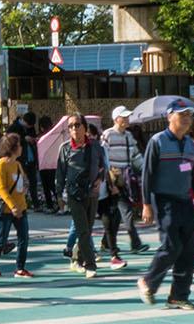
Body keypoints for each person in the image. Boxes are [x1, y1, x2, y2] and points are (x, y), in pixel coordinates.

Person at [140, 101, 194, 311]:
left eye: (188, 115)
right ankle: (148, 281)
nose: (186, 119)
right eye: (181, 115)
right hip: (163, 200)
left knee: (188, 249)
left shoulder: (190, 146)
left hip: (185, 201)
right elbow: (147, 175)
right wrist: (146, 204)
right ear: (169, 117)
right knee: (171, 245)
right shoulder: (157, 141)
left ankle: (178, 296)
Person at [101, 107, 146, 263]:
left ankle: (106, 242)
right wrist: (107, 175)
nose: (127, 119)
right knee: (125, 210)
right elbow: (103, 156)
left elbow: (136, 157)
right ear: (116, 119)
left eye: (127, 117)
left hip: (125, 178)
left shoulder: (128, 136)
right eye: (124, 117)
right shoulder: (108, 135)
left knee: (117, 214)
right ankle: (135, 242)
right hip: (113, 178)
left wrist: (145, 168)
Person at [59, 114, 102, 278]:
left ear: (84, 127)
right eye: (70, 126)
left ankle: (76, 258)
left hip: (92, 193)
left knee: (87, 230)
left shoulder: (96, 146)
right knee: (83, 231)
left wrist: (100, 179)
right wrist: (58, 195)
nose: (74, 129)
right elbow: (60, 172)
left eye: (77, 125)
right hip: (74, 194)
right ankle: (90, 265)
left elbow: (103, 166)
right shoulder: (65, 148)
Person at [0, 133, 34, 279]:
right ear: (13, 148)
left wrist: (25, 188)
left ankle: (20, 268)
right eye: (19, 145)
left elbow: (23, 181)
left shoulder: (18, 164)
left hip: (21, 207)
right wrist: (12, 206)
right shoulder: (1, 164)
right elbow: (0, 189)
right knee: (2, 238)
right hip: (6, 209)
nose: (21, 148)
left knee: (24, 237)